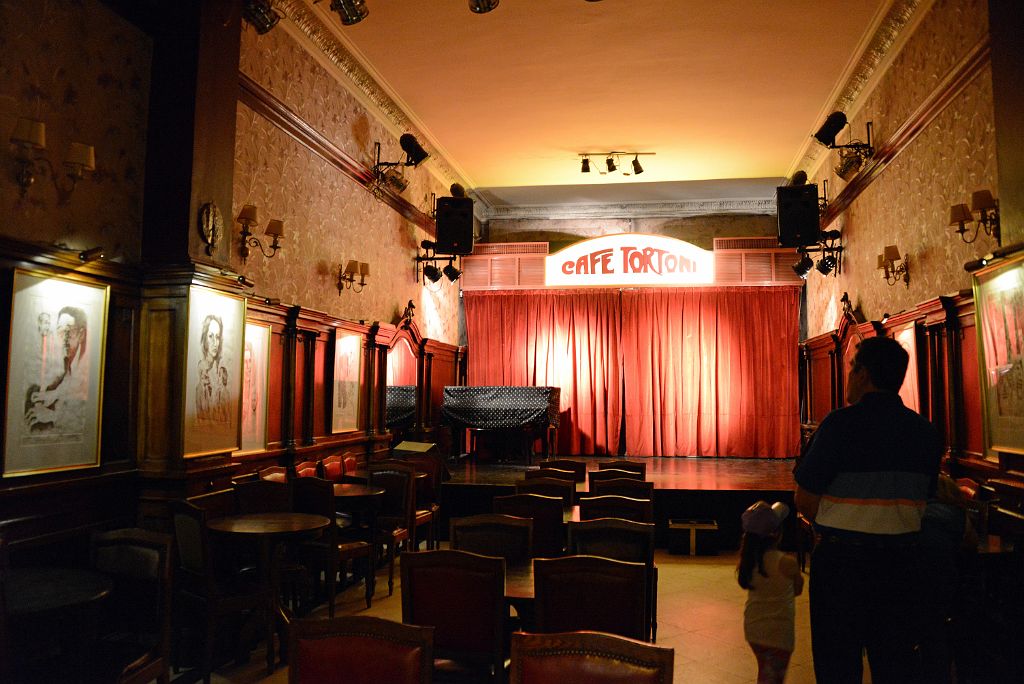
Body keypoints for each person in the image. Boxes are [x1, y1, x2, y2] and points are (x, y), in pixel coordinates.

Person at [794, 335, 942, 683]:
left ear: (863, 375)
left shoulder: (839, 426)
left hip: (841, 566)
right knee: (895, 665)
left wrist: (841, 519)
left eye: (851, 370)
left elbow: (804, 497)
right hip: (903, 566)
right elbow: (925, 499)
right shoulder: (926, 433)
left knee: (837, 666)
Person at [737, 500, 804, 684]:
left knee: (766, 673)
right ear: (776, 534)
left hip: (754, 628)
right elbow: (798, 589)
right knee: (773, 678)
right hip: (778, 632)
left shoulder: (749, 562)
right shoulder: (786, 562)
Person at [25, 306, 88, 432]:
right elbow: (70, 380)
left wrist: (54, 416)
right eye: (60, 330)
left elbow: (86, 414)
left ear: (81, 335)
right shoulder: (68, 358)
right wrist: (55, 394)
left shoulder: (86, 361)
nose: (64, 337)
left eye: (69, 330)